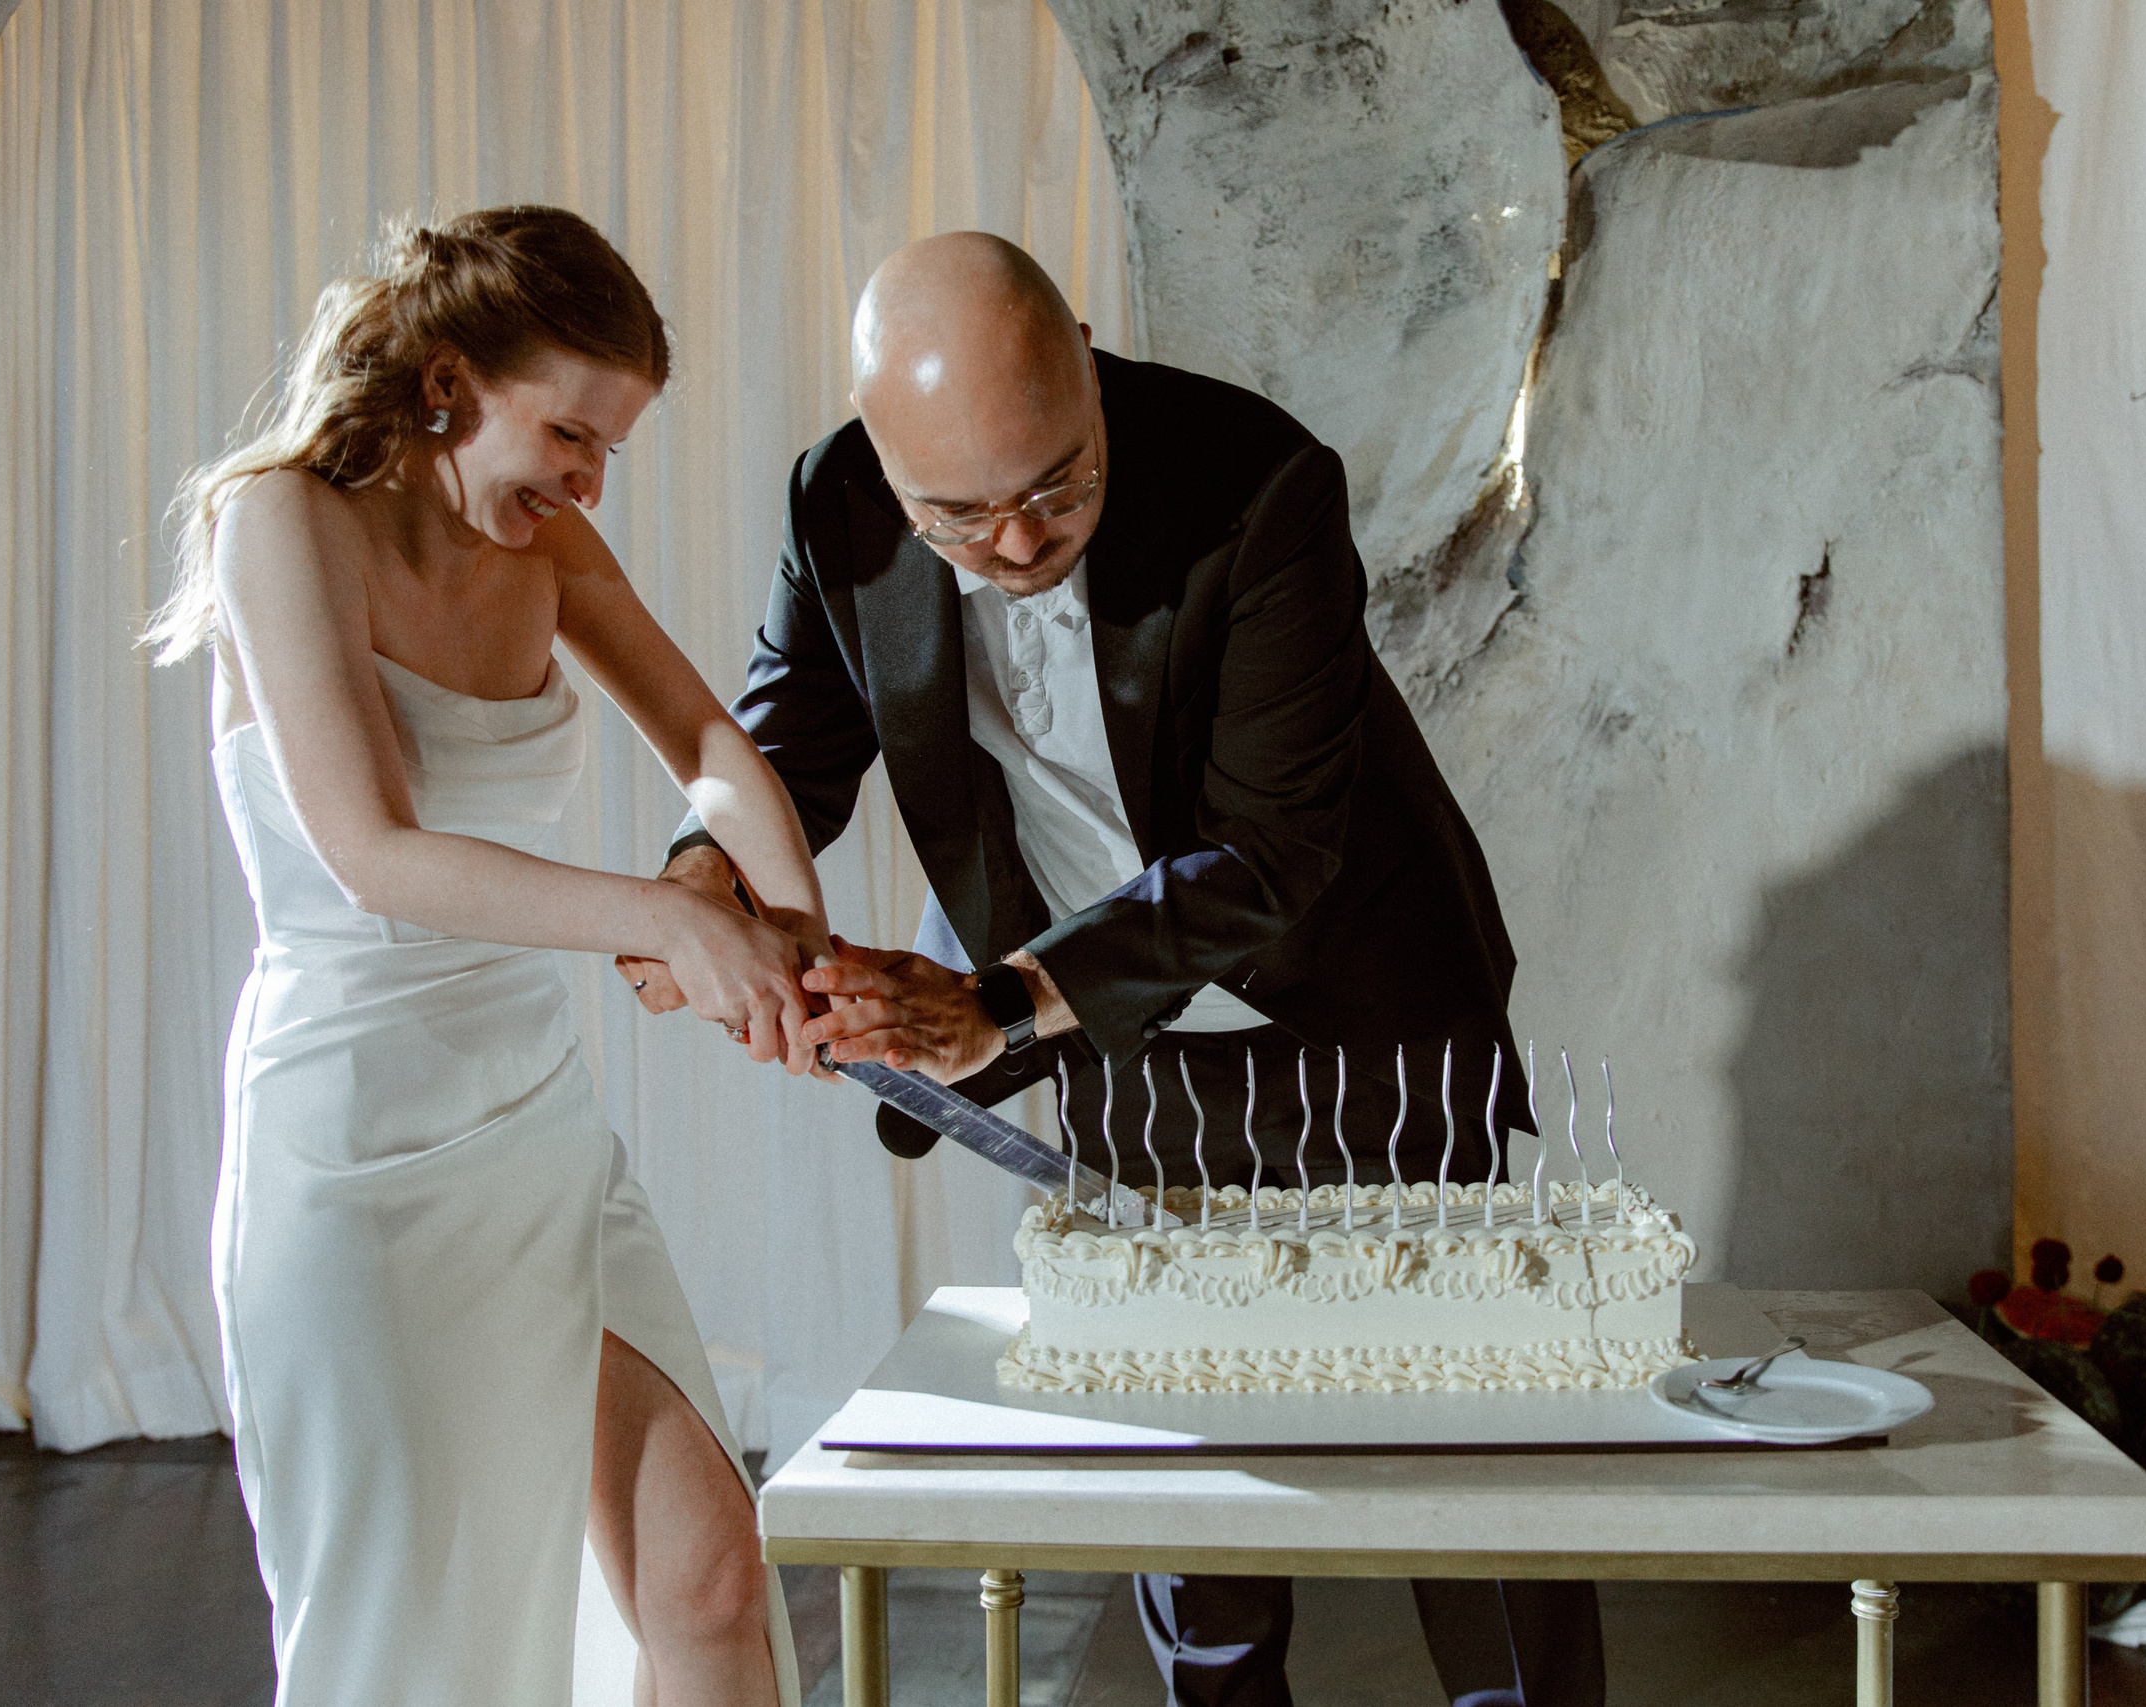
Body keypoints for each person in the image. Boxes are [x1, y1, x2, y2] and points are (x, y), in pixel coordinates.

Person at [618, 231, 1601, 1707]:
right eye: (961, 517)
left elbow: (1273, 856)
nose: (1015, 545)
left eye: (1059, 487)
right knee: (1182, 1438)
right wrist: (699, 885)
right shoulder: (837, 500)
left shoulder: (1256, 479)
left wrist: (999, 1001)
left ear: (1088, 358)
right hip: (1111, 1028)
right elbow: (794, 735)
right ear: (887, 471)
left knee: (1454, 1434)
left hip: (1349, 989)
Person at [150, 206, 824, 1707]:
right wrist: (662, 917)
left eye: (611, 455)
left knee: (705, 1573)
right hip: (352, 1158)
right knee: (414, 1643)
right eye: (570, 434)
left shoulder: (553, 549)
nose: (588, 482)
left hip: (536, 1136)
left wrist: (793, 934)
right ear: (451, 380)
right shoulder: (279, 522)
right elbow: (374, 857)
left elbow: (711, 739)